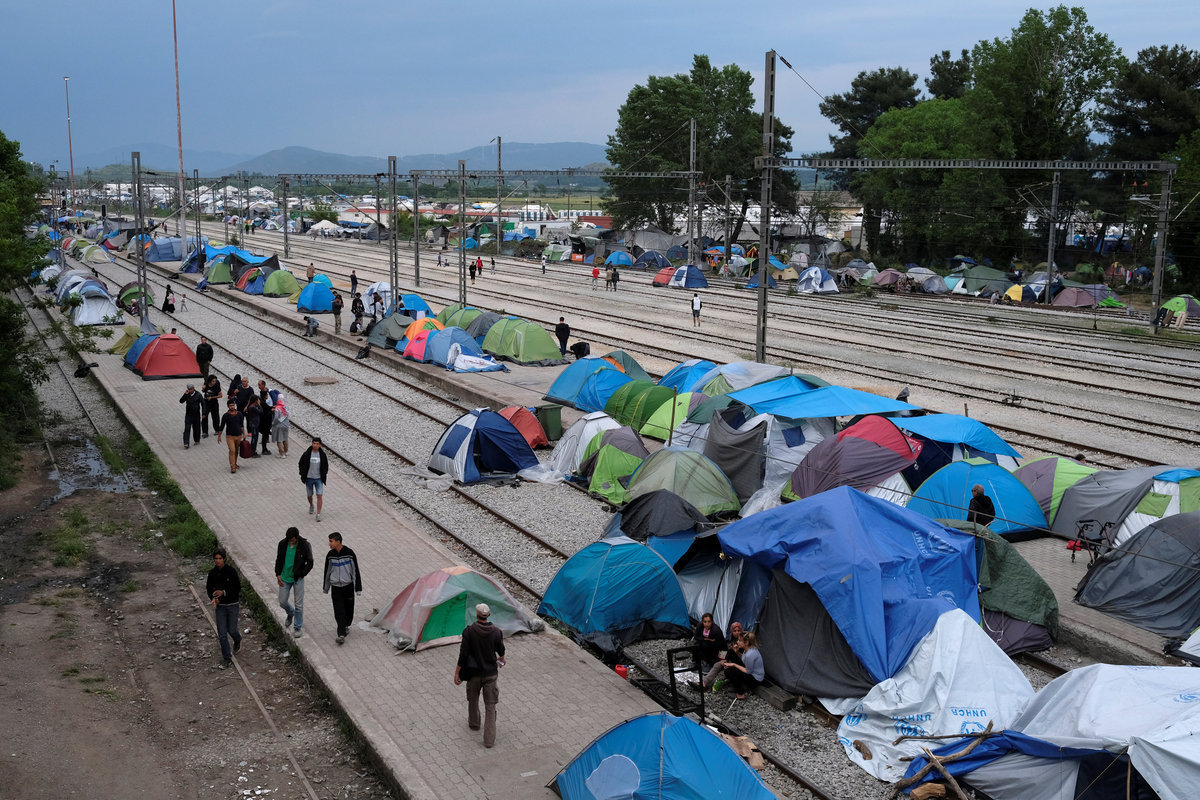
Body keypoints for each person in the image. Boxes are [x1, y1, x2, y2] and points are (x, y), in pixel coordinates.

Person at [453, 603, 506, 749]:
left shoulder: (468, 632)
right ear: (488, 615)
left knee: (473, 699)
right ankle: (489, 741)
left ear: (476, 615)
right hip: (490, 674)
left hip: (473, 673)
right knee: (490, 707)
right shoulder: (496, 632)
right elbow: (501, 650)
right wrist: (502, 658)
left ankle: (474, 724)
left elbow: (463, 654)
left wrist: (457, 672)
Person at [322, 532, 362, 644]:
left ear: (338, 541)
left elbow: (355, 571)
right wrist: (326, 587)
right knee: (338, 610)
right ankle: (341, 634)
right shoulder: (330, 555)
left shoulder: (349, 553)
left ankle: (346, 625)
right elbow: (327, 571)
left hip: (348, 586)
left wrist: (357, 588)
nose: (329, 543)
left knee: (349, 609)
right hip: (336, 588)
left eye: (331, 541)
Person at [206, 549, 243, 668]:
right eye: (216, 559)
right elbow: (209, 588)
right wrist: (213, 598)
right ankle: (226, 657)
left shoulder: (231, 572)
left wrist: (224, 593)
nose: (217, 561)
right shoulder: (212, 574)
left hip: (232, 605)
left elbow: (237, 588)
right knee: (222, 633)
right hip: (220, 607)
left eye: (220, 558)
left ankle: (237, 639)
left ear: (224, 559)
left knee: (232, 630)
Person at [275, 526, 314, 639]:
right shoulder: (282, 544)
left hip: (298, 578)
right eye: (289, 539)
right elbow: (279, 559)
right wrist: (278, 574)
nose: (290, 542)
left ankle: (297, 627)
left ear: (296, 538)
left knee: (299, 604)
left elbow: (310, 562)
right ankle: (290, 612)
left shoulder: (305, 545)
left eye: (292, 539)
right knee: (282, 601)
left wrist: (302, 573)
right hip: (284, 577)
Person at [723, 632, 764, 699]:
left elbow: (748, 671)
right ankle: (738, 683)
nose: (737, 642)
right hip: (749, 670)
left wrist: (734, 665)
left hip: (755, 679)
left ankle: (740, 693)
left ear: (746, 643)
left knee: (728, 671)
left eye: (739, 640)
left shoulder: (750, 654)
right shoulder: (749, 648)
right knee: (731, 652)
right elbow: (744, 659)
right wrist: (737, 652)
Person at [299, 437, 329, 521]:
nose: (315, 445)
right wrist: (302, 473)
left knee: (319, 495)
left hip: (319, 479)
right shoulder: (307, 454)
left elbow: (326, 465)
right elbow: (301, 463)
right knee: (309, 495)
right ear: (312, 444)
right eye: (314, 443)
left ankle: (318, 514)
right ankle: (311, 504)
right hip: (309, 478)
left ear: (320, 445)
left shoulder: (322, 455)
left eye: (317, 444)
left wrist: (324, 473)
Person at [215, 399, 245, 473]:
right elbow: (221, 426)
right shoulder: (225, 416)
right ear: (228, 406)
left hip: (238, 435)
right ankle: (232, 467)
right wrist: (219, 436)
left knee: (236, 451)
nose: (232, 407)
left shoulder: (239, 414)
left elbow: (241, 425)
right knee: (232, 450)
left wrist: (244, 434)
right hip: (230, 436)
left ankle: (235, 463)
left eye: (233, 405)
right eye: (230, 405)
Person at [179, 383, 204, 449]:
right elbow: (181, 401)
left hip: (196, 414)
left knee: (196, 428)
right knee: (187, 428)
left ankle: (197, 440)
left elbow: (203, 404)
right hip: (188, 414)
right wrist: (185, 394)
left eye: (191, 389)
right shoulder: (187, 395)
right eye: (189, 389)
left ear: (193, 388)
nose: (190, 390)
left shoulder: (198, 395)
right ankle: (186, 442)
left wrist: (204, 413)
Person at [271, 391, 290, 458]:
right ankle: (286, 451)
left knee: (279, 439)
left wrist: (273, 423)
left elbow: (276, 418)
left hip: (279, 426)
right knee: (285, 438)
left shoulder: (277, 408)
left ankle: (282, 454)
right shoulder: (286, 406)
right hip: (286, 425)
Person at [257, 380, 274, 456]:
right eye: (266, 395)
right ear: (265, 396)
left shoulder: (262, 402)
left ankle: (265, 449)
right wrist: (272, 410)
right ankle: (264, 450)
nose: (267, 396)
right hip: (265, 423)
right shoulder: (264, 404)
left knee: (265, 436)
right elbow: (268, 410)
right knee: (264, 436)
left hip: (264, 422)